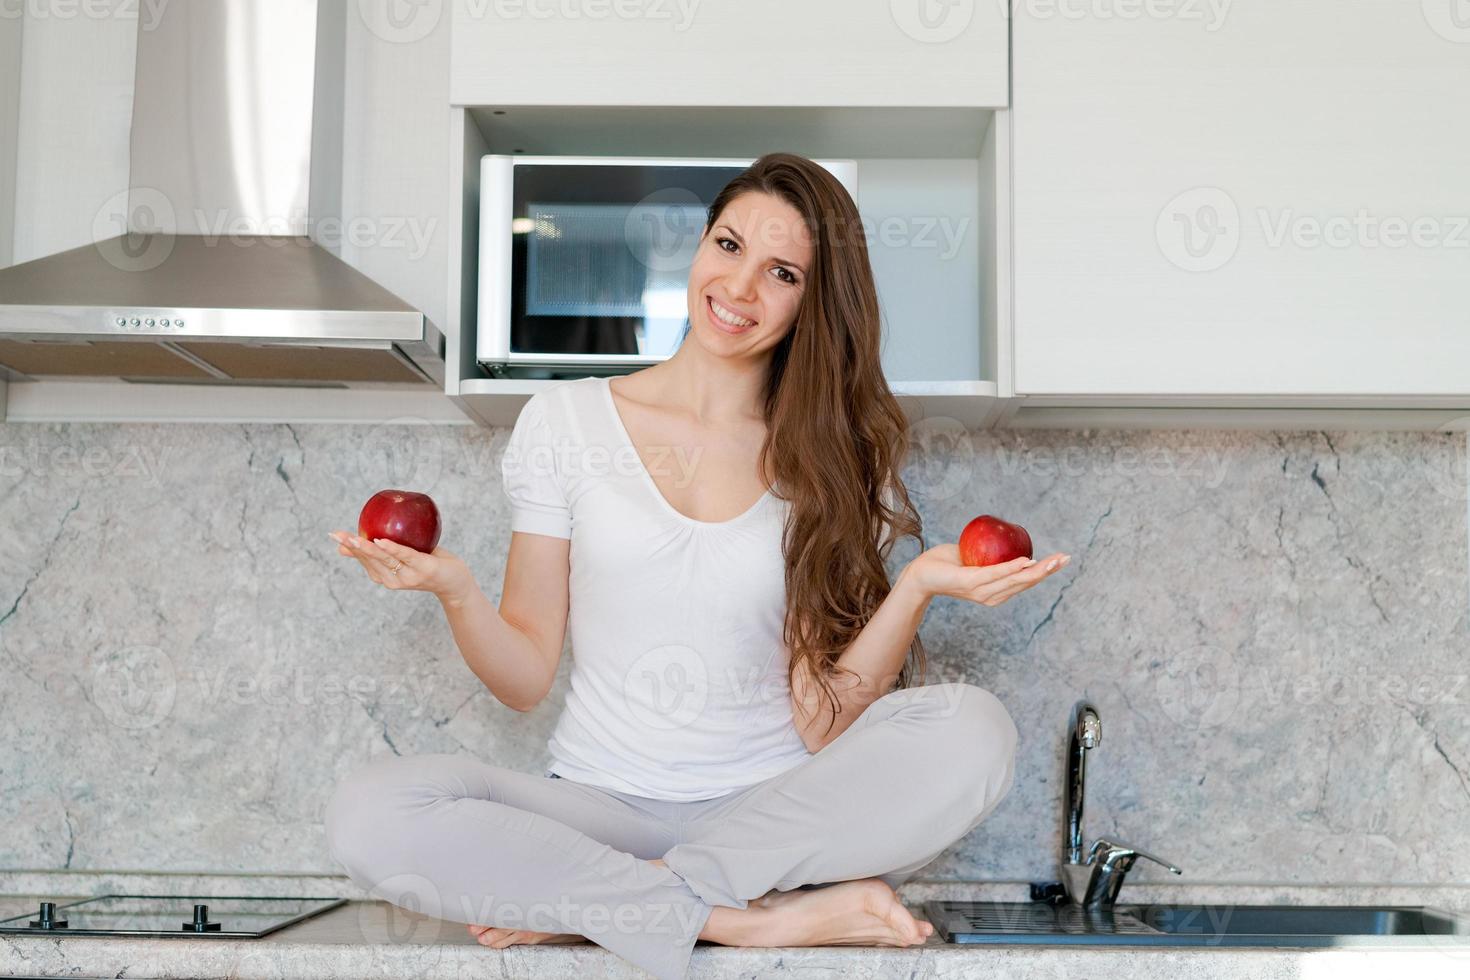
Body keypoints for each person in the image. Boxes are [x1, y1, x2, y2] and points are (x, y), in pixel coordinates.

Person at [325, 152, 1071, 980]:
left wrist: (919, 587)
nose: (741, 288)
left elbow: (821, 724)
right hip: (596, 811)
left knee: (975, 731)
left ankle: (610, 907)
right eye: (728, 246)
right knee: (367, 812)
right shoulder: (565, 424)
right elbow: (525, 676)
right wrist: (456, 591)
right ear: (699, 248)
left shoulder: (824, 460)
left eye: (781, 272)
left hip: (765, 822)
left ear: (811, 302)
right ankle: (749, 924)